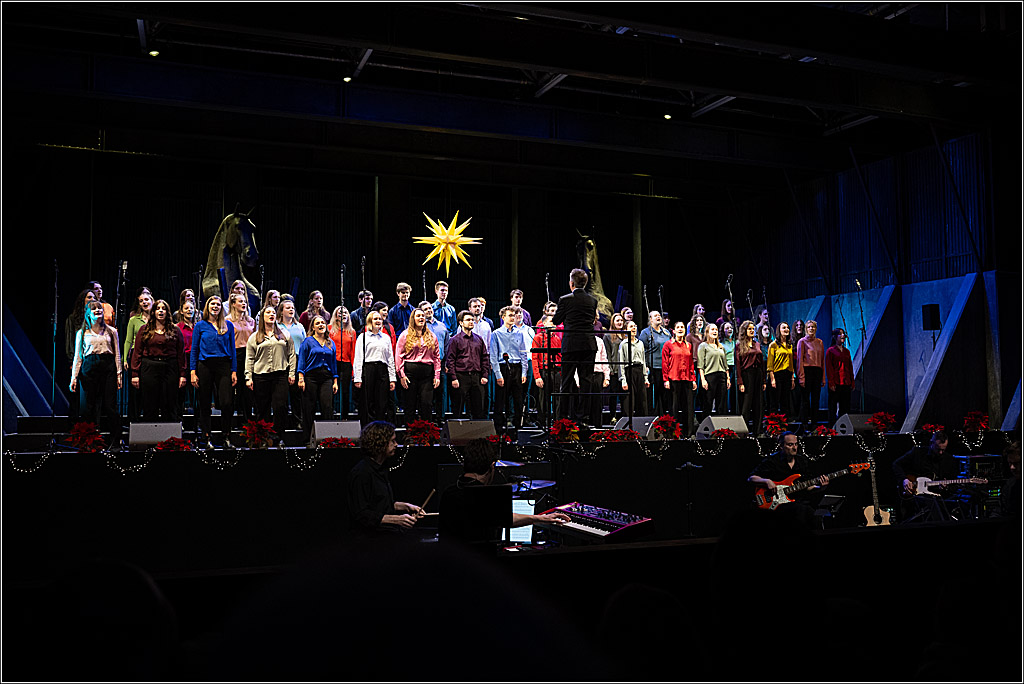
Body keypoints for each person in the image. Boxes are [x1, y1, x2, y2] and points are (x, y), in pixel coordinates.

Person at [439, 438, 571, 547]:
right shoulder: (487, 495)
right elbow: (508, 519)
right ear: (492, 466)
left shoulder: (448, 493)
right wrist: (541, 518)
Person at [346, 421, 425, 534]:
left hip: (385, 534)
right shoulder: (361, 473)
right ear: (380, 443)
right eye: (392, 441)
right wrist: (398, 520)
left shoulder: (381, 469)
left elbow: (381, 504)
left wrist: (407, 506)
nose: (396, 445)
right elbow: (361, 514)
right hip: (370, 539)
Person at [70, 301, 123, 448]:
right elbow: (78, 356)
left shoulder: (112, 331)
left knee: (110, 406)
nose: (97, 310)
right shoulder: (82, 333)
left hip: (107, 366)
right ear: (88, 314)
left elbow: (117, 354)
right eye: (93, 309)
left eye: (99, 308)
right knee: (88, 406)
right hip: (89, 366)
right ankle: (89, 441)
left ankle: (115, 441)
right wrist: (74, 377)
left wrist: (119, 375)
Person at [747, 431, 829, 526]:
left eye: (796, 444)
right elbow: (751, 478)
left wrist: (821, 488)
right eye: (790, 445)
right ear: (781, 446)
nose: (794, 448)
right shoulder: (772, 461)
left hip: (797, 501)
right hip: (777, 503)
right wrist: (767, 481)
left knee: (814, 515)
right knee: (800, 512)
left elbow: (806, 486)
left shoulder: (802, 461)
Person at [245, 305, 297, 445]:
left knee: (280, 406)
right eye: (268, 312)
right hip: (261, 376)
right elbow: (249, 358)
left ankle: (278, 436)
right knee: (263, 408)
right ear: (262, 316)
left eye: (273, 312)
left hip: (280, 375)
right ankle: (263, 437)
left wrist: (292, 373)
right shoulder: (254, 337)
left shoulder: (284, 334)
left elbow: (291, 354)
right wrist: (248, 377)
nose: (271, 314)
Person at [552, 268, 598, 423]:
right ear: (585, 284)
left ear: (571, 283)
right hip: (588, 345)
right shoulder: (593, 300)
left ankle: (563, 418)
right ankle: (583, 418)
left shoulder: (565, 299)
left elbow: (556, 320)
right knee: (586, 381)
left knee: (566, 381)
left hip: (571, 345)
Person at [190, 296, 237, 447]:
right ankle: (206, 436)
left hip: (223, 365)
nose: (215, 306)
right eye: (212, 304)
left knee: (226, 402)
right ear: (207, 307)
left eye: (218, 304)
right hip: (205, 365)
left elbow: (233, 351)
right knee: (204, 402)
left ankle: (226, 436)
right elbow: (194, 349)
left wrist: (234, 370)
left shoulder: (228, 325)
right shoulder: (200, 325)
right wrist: (192, 371)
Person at [130, 299, 186, 422]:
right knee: (150, 403)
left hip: (169, 367)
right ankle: (150, 436)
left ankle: (170, 438)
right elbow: (137, 352)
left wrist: (182, 374)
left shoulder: (175, 330)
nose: (160, 311)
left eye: (163, 308)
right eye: (158, 308)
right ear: (153, 312)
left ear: (167, 312)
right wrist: (135, 374)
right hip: (149, 367)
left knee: (169, 402)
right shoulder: (144, 330)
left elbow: (181, 353)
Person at [892, 431, 960, 523]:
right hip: (914, 498)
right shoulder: (917, 452)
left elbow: (953, 485)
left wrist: (946, 488)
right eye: (938, 449)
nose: (940, 453)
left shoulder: (949, 460)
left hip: (935, 499)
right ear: (931, 444)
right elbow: (896, 464)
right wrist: (904, 479)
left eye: (943, 450)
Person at [297, 314, 339, 444]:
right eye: (317, 323)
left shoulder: (330, 343)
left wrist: (335, 381)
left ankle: (328, 438)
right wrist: (301, 377)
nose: (321, 325)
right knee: (309, 407)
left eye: (322, 323)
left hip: (326, 377)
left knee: (327, 406)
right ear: (313, 327)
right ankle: (307, 439)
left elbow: (333, 363)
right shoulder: (308, 341)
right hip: (311, 377)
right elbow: (302, 360)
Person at [395, 307, 441, 424]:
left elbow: (436, 357)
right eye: (418, 316)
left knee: (426, 404)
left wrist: (437, 376)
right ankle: (410, 433)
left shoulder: (432, 336)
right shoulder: (405, 335)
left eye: (422, 316)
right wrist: (401, 375)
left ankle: (426, 433)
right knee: (410, 405)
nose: (421, 318)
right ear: (413, 319)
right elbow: (399, 356)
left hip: (427, 374)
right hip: (410, 374)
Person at [353, 310, 396, 425]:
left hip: (382, 370)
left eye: (379, 319)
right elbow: (358, 358)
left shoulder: (386, 338)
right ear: (369, 321)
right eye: (375, 319)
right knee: (368, 402)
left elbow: (390, 359)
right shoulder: (363, 337)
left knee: (382, 402)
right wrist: (357, 377)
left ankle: (380, 429)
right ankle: (368, 429)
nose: (378, 321)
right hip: (368, 369)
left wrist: (392, 378)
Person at [489, 306, 528, 431]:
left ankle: (518, 426)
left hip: (517, 368)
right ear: (503, 317)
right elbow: (493, 356)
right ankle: (499, 427)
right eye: (510, 315)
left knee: (518, 399)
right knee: (500, 400)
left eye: (514, 315)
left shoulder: (520, 333)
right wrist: (498, 375)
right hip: (503, 367)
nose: (513, 317)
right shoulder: (496, 334)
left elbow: (523, 354)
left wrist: (524, 372)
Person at [446, 310, 490, 419]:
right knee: (459, 407)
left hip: (476, 376)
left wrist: (485, 375)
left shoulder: (479, 339)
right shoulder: (455, 340)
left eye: (472, 320)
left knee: (478, 407)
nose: (471, 322)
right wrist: (453, 378)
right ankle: (459, 434)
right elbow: (450, 360)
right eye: (468, 320)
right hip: (461, 376)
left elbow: (484, 358)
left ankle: (477, 434)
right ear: (461, 323)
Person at [662, 321, 697, 437]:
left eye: (682, 327)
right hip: (673, 378)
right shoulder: (668, 345)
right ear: (674, 330)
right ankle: (674, 433)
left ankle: (689, 433)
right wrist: (665, 379)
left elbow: (691, 363)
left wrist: (693, 379)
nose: (680, 329)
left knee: (688, 407)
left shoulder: (688, 345)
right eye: (678, 327)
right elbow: (665, 363)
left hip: (686, 378)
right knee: (674, 407)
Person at [277, 298, 306, 430]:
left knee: (297, 395)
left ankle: (298, 421)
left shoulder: (299, 326)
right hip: (282, 360)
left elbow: (305, 344)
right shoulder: (277, 326)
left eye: (292, 308)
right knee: (282, 394)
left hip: (298, 359)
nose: (291, 310)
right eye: (288, 308)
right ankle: (281, 422)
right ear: (281, 311)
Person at [226, 292, 255, 422]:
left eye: (245, 301)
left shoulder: (251, 321)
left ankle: (247, 421)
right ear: (233, 304)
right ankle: (231, 421)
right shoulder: (227, 321)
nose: (244, 304)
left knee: (247, 390)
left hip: (249, 355)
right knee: (232, 388)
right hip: (234, 355)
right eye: (240, 301)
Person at [421, 301, 451, 423]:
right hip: (425, 364)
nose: (429, 310)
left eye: (430, 308)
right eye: (425, 309)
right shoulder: (420, 327)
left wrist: (447, 363)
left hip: (441, 363)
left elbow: (447, 345)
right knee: (426, 392)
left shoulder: (442, 326)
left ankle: (440, 418)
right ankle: (425, 420)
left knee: (441, 393)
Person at [735, 320, 766, 435]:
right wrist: (740, 382)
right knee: (746, 404)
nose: (752, 331)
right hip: (747, 375)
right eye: (749, 329)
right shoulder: (739, 345)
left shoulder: (757, 344)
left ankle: (757, 431)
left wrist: (763, 380)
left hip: (757, 373)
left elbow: (762, 363)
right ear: (744, 331)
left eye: (753, 329)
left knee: (758, 403)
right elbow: (738, 364)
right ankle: (744, 431)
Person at [639, 310, 671, 416]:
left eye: (659, 315)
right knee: (654, 395)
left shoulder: (666, 332)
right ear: (650, 319)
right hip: (653, 367)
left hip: (666, 368)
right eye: (655, 316)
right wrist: (645, 366)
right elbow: (641, 350)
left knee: (665, 395)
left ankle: (664, 418)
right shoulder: (646, 332)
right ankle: (652, 417)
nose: (658, 317)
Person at [795, 319, 826, 433]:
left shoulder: (820, 342)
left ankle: (814, 424)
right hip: (807, 371)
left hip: (817, 372)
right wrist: (801, 376)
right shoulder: (802, 342)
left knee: (816, 400)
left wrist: (823, 378)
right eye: (809, 327)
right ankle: (804, 424)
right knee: (805, 400)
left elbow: (822, 361)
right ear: (806, 329)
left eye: (813, 327)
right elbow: (799, 361)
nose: (811, 329)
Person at [532, 313, 562, 427]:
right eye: (551, 321)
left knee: (557, 398)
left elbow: (559, 356)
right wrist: (537, 376)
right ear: (543, 324)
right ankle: (542, 422)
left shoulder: (557, 338)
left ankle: (556, 422)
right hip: (543, 370)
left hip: (556, 371)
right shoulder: (538, 338)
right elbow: (534, 358)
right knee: (542, 398)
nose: (553, 324)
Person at [328, 306, 356, 420]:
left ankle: (344, 417)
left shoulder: (351, 332)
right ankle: (331, 415)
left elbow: (353, 352)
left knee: (344, 391)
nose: (343, 314)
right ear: (336, 315)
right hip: (332, 363)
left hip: (346, 364)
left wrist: (354, 369)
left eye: (345, 313)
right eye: (340, 313)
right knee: (331, 390)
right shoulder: (330, 329)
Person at [697, 323, 730, 417]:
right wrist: (703, 380)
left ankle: (722, 428)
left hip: (722, 376)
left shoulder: (721, 347)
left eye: (716, 329)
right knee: (708, 402)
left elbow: (725, 364)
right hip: (710, 376)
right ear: (707, 332)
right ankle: (706, 426)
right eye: (712, 330)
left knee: (722, 403)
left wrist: (727, 377)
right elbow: (700, 365)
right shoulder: (703, 346)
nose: (715, 331)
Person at [618, 321, 649, 417]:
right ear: (626, 329)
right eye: (631, 326)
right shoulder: (623, 344)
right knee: (629, 401)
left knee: (642, 400)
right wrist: (623, 380)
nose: (634, 328)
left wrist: (645, 378)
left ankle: (642, 424)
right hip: (629, 371)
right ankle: (627, 426)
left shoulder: (640, 343)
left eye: (635, 326)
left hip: (639, 371)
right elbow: (621, 363)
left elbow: (643, 361)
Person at [767, 322, 796, 419]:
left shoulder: (789, 345)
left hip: (787, 374)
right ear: (779, 330)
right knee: (775, 401)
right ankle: (773, 424)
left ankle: (784, 423)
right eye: (784, 328)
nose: (786, 329)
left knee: (785, 400)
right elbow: (770, 364)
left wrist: (792, 378)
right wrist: (772, 378)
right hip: (777, 374)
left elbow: (791, 363)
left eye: (787, 328)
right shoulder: (773, 345)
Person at [825, 328, 855, 422]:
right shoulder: (830, 351)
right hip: (836, 382)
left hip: (846, 382)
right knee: (833, 406)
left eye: (843, 334)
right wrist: (831, 383)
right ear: (835, 337)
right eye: (840, 334)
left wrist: (852, 382)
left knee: (845, 406)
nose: (843, 336)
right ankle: (832, 427)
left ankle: (844, 427)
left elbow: (850, 367)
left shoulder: (846, 351)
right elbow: (829, 368)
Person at [603, 312, 627, 421]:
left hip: (624, 370)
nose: (620, 322)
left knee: (624, 395)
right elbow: (607, 353)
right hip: (614, 369)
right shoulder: (608, 336)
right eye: (617, 320)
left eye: (621, 320)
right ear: (613, 322)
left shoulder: (626, 335)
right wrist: (610, 369)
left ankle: (624, 417)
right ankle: (613, 416)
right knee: (613, 394)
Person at [177, 299, 197, 415]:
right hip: (182, 360)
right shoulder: (178, 327)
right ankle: (179, 420)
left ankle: (197, 421)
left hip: (195, 360)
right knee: (181, 391)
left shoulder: (197, 326)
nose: (189, 310)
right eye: (186, 308)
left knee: (195, 391)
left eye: (191, 308)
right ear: (181, 311)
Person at [721, 321, 737, 416]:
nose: (729, 329)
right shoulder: (721, 343)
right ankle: (725, 412)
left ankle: (735, 411)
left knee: (735, 391)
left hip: (735, 367)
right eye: (727, 328)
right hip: (726, 368)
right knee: (726, 390)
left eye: (731, 327)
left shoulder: (736, 341)